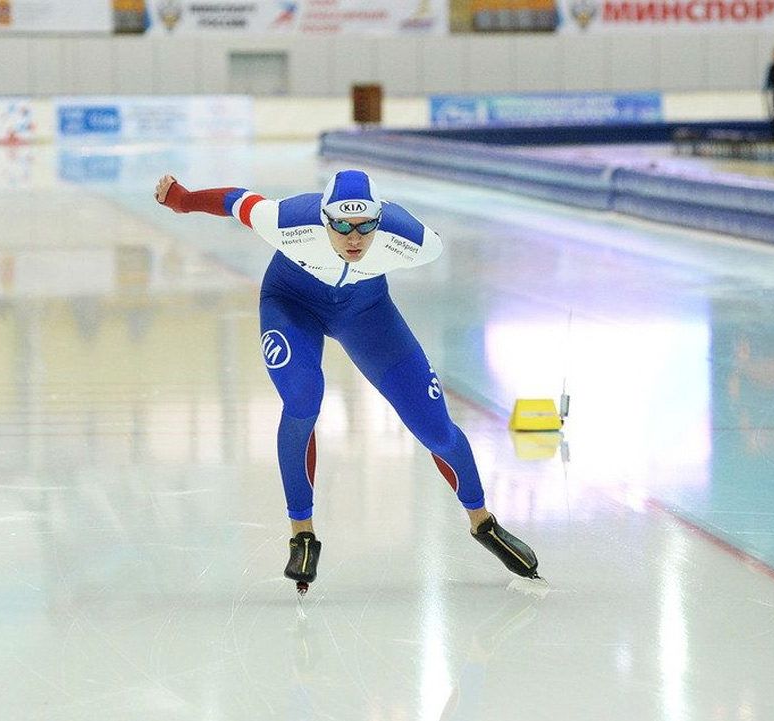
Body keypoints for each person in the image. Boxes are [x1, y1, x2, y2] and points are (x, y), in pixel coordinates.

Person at [154, 169, 541, 593]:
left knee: (436, 429)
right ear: (323, 218)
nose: (352, 238)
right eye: (340, 225)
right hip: (291, 303)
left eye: (365, 227)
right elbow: (236, 199)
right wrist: (183, 198)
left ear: (381, 219)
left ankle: (483, 523)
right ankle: (302, 531)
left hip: (365, 313)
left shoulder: (415, 241)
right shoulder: (287, 220)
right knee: (304, 401)